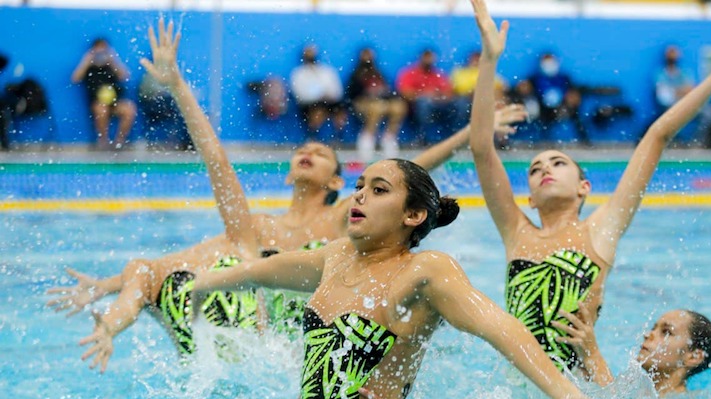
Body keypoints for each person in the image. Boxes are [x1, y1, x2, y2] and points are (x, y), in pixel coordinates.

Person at [48, 19, 527, 372]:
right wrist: (111, 285)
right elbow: (215, 160)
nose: (306, 153)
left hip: (305, 346)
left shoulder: (348, 220)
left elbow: (411, 174)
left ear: (340, 181)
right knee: (145, 269)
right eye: (302, 149)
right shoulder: (258, 230)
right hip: (254, 345)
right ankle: (108, 328)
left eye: (319, 153)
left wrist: (468, 135)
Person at [190, 157, 614, 399]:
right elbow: (266, 270)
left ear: (412, 215)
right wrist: (204, 285)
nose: (359, 197)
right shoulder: (336, 257)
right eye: (359, 187)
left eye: (378, 190)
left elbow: (500, 328)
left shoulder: (425, 272)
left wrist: (566, 396)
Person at [468, 0, 711, 382]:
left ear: (584, 188)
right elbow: (482, 147)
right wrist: (489, 60)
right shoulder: (516, 232)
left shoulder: (600, 230)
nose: (545, 168)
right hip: (513, 397)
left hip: (579, 389)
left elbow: (657, 135)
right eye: (535, 169)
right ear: (528, 196)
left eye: (558, 163)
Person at [553, 305, 711, 396]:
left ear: (693, 356)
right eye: (654, 328)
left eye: (666, 332)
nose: (649, 334)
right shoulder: (637, 392)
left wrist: (592, 354)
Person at [70, 37, 137, 150]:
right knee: (101, 109)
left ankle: (119, 142)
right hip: (98, 103)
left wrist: (113, 60)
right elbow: (75, 78)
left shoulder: (111, 66)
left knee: (130, 108)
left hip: (115, 102)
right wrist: (86, 60)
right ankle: (103, 142)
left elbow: (125, 76)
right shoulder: (89, 68)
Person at [346, 47, 408, 161]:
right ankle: (368, 137)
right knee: (378, 107)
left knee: (399, 106)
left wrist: (381, 92)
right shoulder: (355, 74)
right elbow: (352, 94)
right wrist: (369, 94)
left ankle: (389, 137)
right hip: (362, 102)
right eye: (365, 55)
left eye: (370, 55)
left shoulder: (378, 73)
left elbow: (388, 89)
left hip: (381, 101)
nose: (368, 58)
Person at [516, 51, 588, 144]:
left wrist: (571, 100)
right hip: (542, 108)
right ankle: (539, 141)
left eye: (551, 62)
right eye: (546, 63)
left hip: (560, 107)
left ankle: (585, 141)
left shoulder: (564, 78)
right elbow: (524, 89)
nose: (549, 65)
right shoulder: (535, 78)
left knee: (575, 112)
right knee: (530, 112)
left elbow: (573, 93)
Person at [396, 49, 459, 145]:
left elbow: (448, 92)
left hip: (439, 104)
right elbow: (405, 93)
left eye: (431, 58)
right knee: (424, 103)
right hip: (416, 106)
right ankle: (423, 137)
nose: (429, 60)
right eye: (427, 57)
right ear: (421, 58)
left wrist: (438, 96)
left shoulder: (438, 74)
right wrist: (424, 94)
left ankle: (457, 137)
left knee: (460, 104)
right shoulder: (410, 73)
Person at [289, 44, 348, 142]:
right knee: (318, 110)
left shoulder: (327, 71)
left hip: (330, 102)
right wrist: (317, 96)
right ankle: (313, 137)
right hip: (309, 104)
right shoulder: (298, 73)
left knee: (340, 109)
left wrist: (328, 95)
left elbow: (337, 91)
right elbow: (299, 95)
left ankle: (338, 138)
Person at [138, 71, 193, 151]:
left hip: (168, 106)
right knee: (168, 103)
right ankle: (182, 142)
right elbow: (145, 94)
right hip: (153, 105)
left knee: (182, 112)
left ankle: (184, 142)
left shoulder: (173, 76)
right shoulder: (149, 77)